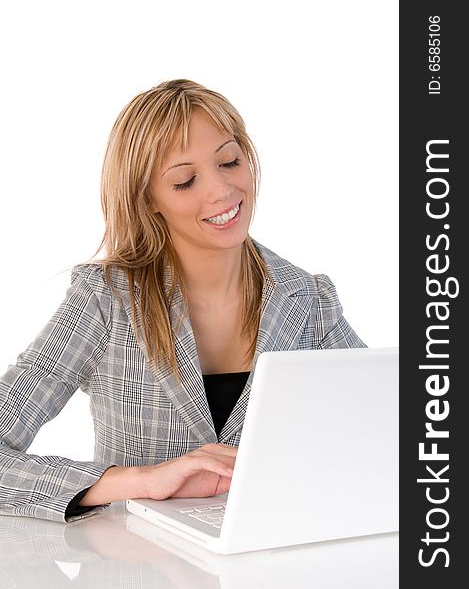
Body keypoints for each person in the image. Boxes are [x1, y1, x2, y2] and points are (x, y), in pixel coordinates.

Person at [0, 79, 366, 523]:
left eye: (229, 161)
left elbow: (394, 434)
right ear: (147, 199)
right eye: (184, 181)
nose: (221, 191)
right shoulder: (105, 300)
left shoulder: (307, 301)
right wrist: (142, 480)